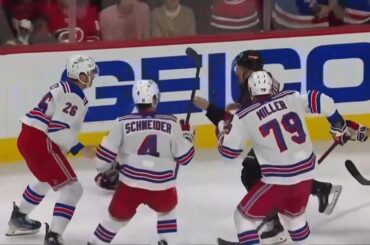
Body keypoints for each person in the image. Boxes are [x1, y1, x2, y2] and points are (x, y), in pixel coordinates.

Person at [194, 50, 343, 244]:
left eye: (239, 69)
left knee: (249, 180)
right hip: (300, 161)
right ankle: (318, 189)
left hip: (275, 161)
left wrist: (218, 123)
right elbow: (316, 100)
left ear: (248, 73)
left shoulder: (248, 103)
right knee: (294, 217)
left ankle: (274, 224)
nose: (236, 72)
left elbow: (233, 142)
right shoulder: (285, 92)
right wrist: (338, 123)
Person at [88, 79, 195, 245]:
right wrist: (187, 136)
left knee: (114, 219)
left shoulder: (122, 122)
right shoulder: (172, 122)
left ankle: (96, 242)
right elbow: (185, 158)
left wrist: (111, 169)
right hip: (163, 189)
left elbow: (101, 162)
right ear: (155, 98)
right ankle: (166, 241)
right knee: (167, 212)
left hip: (130, 187)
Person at [5, 54, 98, 245]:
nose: (92, 76)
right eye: (89, 73)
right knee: (73, 189)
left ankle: (19, 217)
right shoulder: (75, 95)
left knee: (46, 179)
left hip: (27, 137)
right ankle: (54, 236)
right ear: (80, 75)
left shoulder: (62, 88)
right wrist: (81, 148)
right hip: (40, 140)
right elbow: (58, 129)